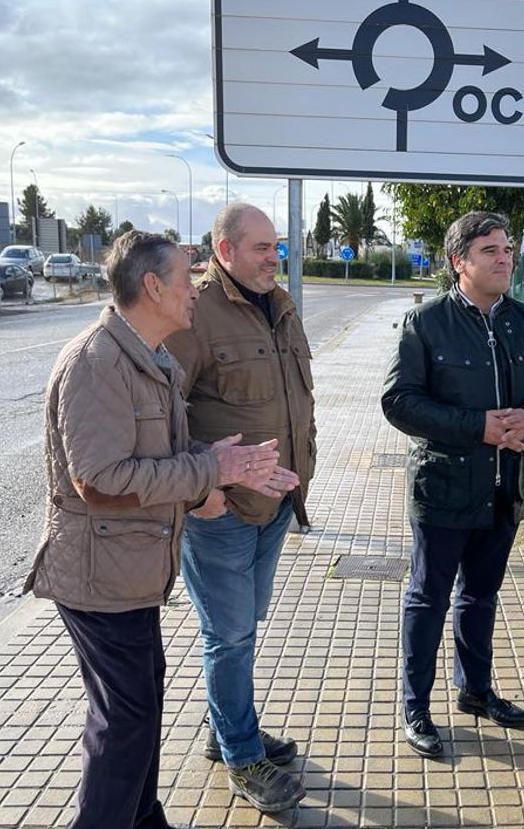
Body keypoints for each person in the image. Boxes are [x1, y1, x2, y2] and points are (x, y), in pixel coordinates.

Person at [24, 230, 299, 829]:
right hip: (99, 577)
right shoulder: (96, 362)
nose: (195, 288)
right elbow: (97, 479)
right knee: (124, 721)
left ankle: (145, 819)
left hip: (133, 572)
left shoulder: (151, 356)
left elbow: (161, 454)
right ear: (152, 286)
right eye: (185, 277)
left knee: (140, 709)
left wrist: (212, 476)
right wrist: (210, 470)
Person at [381, 210, 524, 758]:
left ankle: (477, 691)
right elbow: (398, 402)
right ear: (459, 261)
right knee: (427, 598)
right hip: (442, 489)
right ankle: (416, 704)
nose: (505, 257)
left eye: (508, 248)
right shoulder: (426, 322)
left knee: (480, 596)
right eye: (490, 250)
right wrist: (477, 427)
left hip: (505, 488)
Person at [165, 203, 316, 814]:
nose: (271, 257)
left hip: (274, 504)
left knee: (243, 622)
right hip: (219, 510)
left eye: (275, 246)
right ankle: (243, 756)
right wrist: (199, 491)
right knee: (228, 634)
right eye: (259, 247)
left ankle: (224, 727)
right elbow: (158, 413)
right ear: (223, 250)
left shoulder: (279, 305)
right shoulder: (195, 314)